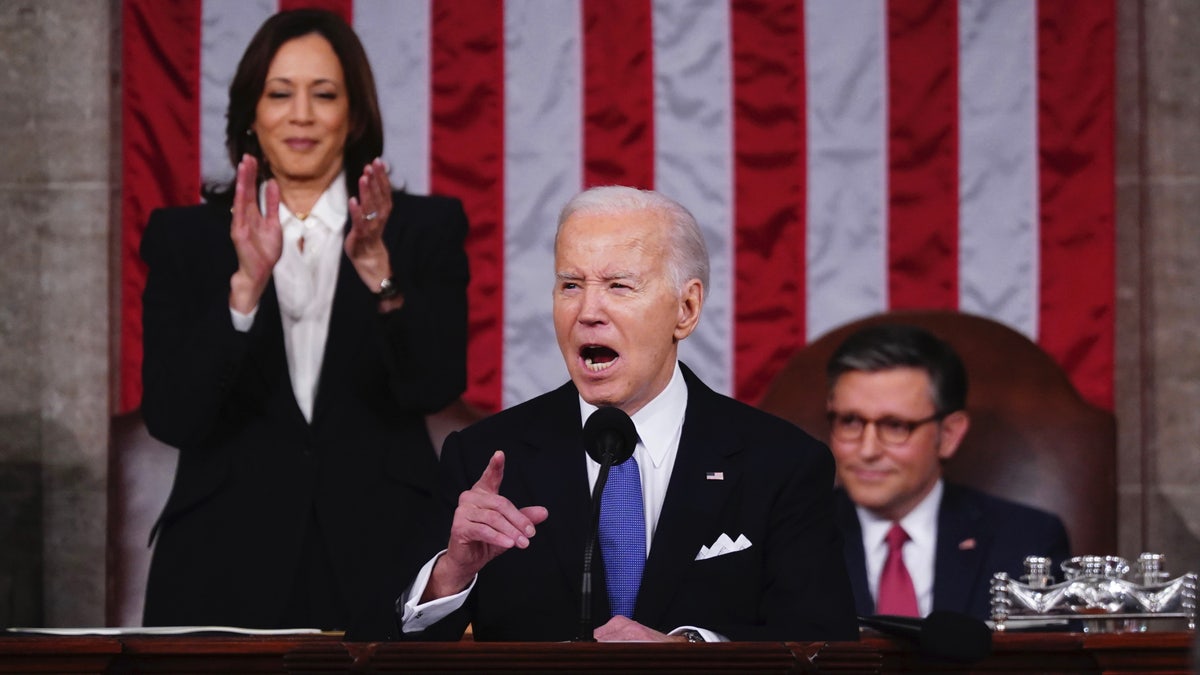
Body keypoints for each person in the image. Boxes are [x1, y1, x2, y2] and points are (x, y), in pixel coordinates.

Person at [395, 186, 858, 642]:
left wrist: (689, 653)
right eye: (570, 285)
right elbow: (378, 650)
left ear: (687, 308)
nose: (587, 311)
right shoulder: (484, 459)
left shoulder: (781, 463)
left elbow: (824, 645)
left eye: (619, 286)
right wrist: (450, 575)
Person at [139, 9, 467, 633]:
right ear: (251, 115)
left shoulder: (423, 229)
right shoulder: (184, 238)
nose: (302, 115)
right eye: (280, 93)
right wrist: (244, 289)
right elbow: (173, 416)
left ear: (355, 114)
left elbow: (436, 385)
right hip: (221, 556)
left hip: (383, 548)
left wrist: (380, 276)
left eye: (324, 94)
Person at [826, 323, 1070, 622]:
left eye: (895, 426)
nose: (867, 450)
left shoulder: (1026, 541)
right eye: (850, 422)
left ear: (949, 435)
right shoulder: (786, 538)